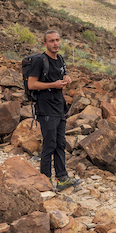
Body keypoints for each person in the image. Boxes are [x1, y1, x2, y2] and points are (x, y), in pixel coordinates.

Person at [26, 29, 81, 191]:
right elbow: (31, 84)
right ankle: (45, 179)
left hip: (59, 107)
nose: (55, 43)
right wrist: (53, 85)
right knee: (49, 144)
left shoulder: (60, 59)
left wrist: (67, 79)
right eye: (51, 41)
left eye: (57, 40)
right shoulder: (39, 61)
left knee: (60, 143)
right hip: (46, 108)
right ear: (45, 43)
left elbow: (62, 77)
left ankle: (62, 178)